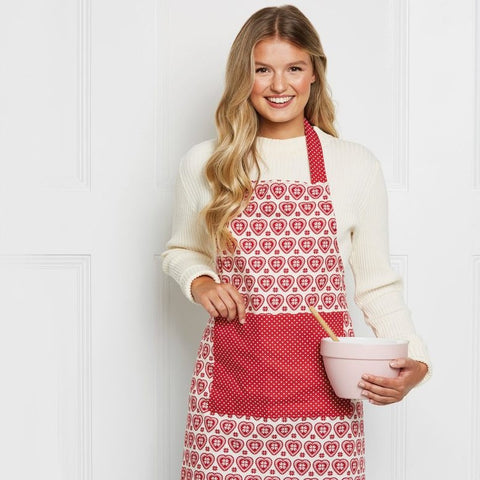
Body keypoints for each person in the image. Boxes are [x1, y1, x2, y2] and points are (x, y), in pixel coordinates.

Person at [162, 5, 431, 480]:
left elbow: (376, 285)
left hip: (322, 399)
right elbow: (183, 250)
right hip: (231, 388)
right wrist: (200, 281)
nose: (279, 85)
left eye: (294, 68)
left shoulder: (355, 165)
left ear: (314, 76)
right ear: (242, 77)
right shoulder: (208, 163)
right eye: (262, 69)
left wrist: (417, 357)